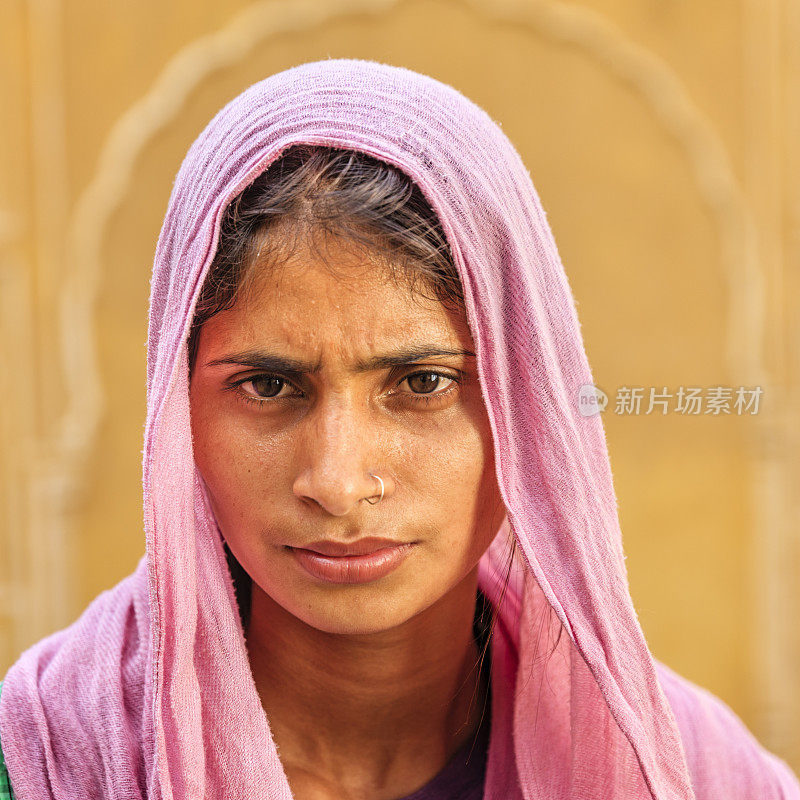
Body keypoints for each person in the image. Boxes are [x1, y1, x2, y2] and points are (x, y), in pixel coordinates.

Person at [0, 57, 797, 800]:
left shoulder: (678, 771)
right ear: (177, 410)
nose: (339, 482)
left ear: (528, 406)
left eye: (423, 383)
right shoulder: (38, 759)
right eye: (269, 385)